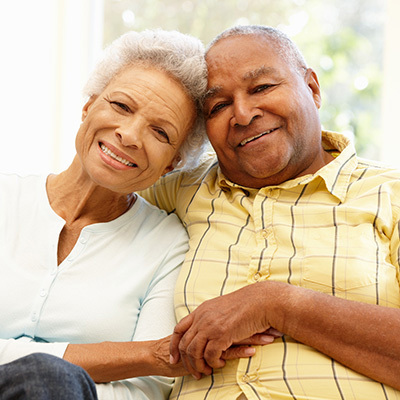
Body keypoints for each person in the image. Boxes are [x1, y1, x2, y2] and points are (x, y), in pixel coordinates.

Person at [0, 29, 273, 400]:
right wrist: (142, 355)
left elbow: (145, 390)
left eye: (160, 132)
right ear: (88, 107)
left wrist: (60, 384)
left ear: (172, 164)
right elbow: (154, 361)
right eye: (121, 106)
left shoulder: (167, 245)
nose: (128, 135)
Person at [140, 25, 400, 399]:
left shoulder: (390, 194)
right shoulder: (176, 190)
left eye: (261, 88)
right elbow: (84, 195)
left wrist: (279, 305)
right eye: (218, 106)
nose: (242, 114)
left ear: (312, 88)